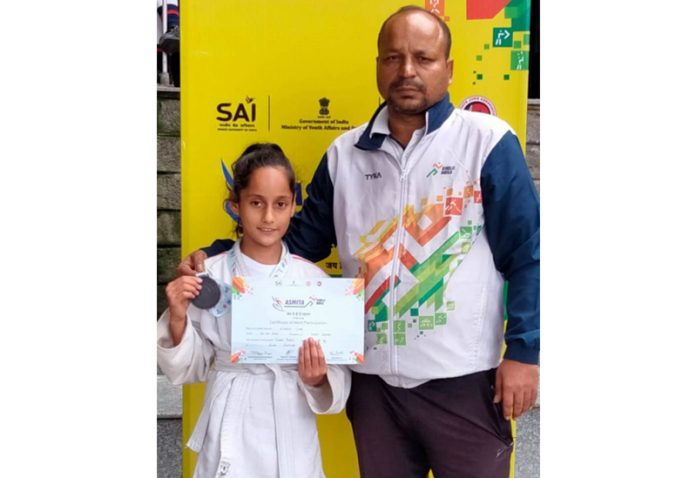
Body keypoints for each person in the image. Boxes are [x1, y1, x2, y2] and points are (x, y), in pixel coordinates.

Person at [178, 6, 539, 477]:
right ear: (377, 66)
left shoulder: (486, 143)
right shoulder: (344, 155)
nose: (407, 70)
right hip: (374, 391)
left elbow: (529, 255)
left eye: (423, 58)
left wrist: (525, 354)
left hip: (463, 382)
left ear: (448, 70)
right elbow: (297, 242)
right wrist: (221, 254)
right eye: (393, 57)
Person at [158, 143, 351, 477]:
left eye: (280, 204)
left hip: (291, 419)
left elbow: (336, 375)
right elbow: (189, 368)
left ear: (294, 206)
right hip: (232, 416)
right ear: (236, 206)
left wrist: (318, 378)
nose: (268, 217)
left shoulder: (313, 281)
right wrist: (177, 315)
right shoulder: (211, 276)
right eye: (256, 203)